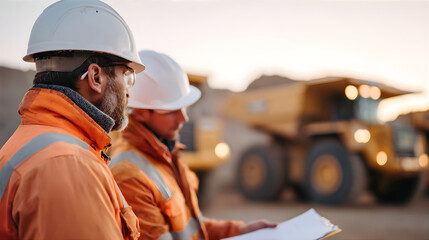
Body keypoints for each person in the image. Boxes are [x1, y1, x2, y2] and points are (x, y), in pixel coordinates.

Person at [0, 0, 145, 239]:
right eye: (125, 75)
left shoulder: (33, 141)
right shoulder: (68, 165)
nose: (128, 91)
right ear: (96, 76)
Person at [109, 50, 277, 240]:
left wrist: (239, 231)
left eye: (184, 107)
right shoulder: (128, 175)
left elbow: (188, 227)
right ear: (139, 113)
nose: (184, 118)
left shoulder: (167, 155)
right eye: (172, 111)